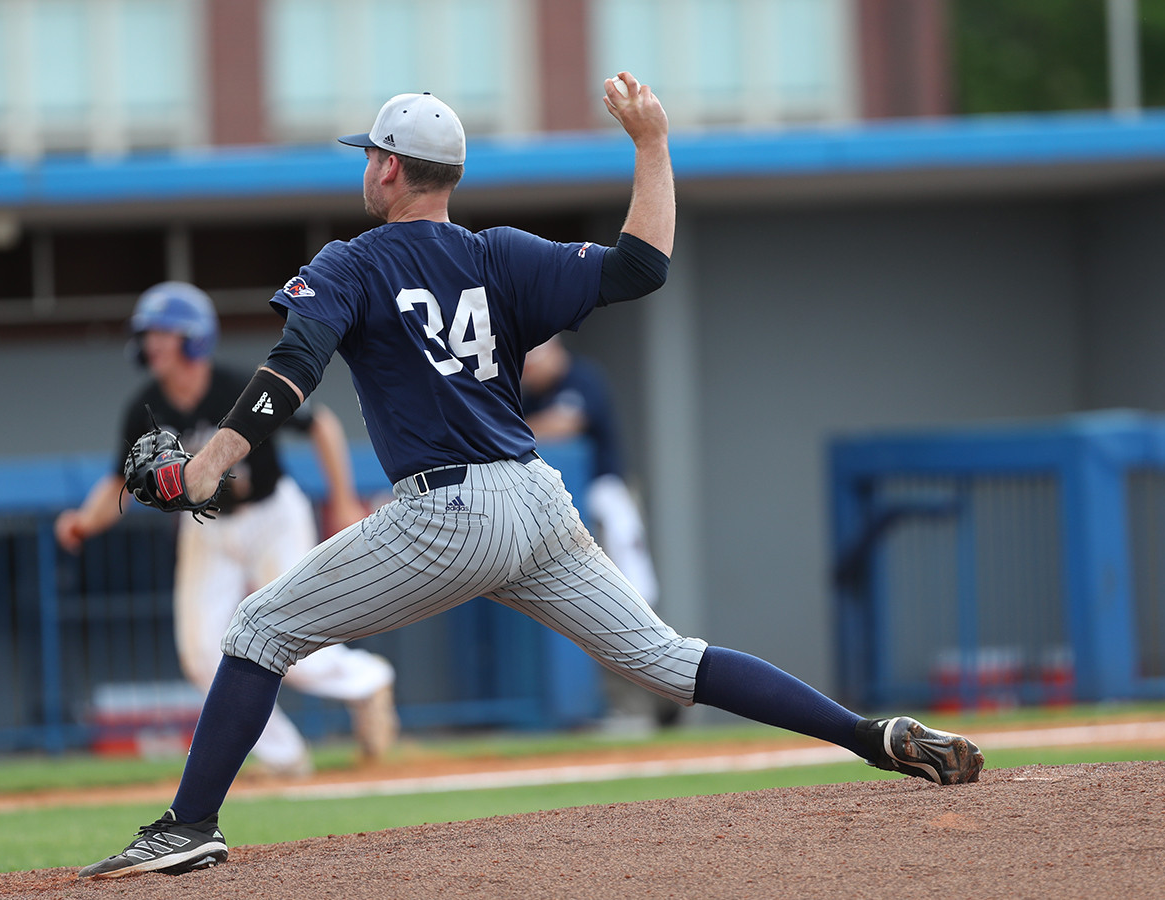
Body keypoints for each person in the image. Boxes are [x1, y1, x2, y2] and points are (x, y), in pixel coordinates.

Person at [78, 74, 984, 880]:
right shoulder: (497, 253)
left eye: (372, 155)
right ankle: (875, 736)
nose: (367, 168)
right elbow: (642, 266)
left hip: (448, 512)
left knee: (260, 626)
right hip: (538, 499)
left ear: (390, 169)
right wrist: (654, 143)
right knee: (665, 659)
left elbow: (288, 373)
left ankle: (188, 825)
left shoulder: (349, 262)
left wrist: (208, 463)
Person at [55, 281, 398, 777]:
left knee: (295, 646)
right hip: (207, 526)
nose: (151, 343)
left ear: (193, 337)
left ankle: (366, 681)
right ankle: (285, 760)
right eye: (148, 334)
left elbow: (320, 425)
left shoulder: (238, 385)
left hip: (272, 516)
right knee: (200, 655)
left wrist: (343, 500)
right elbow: (121, 483)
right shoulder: (145, 407)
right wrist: (84, 523)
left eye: (162, 333)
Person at [521, 334, 678, 731]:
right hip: (558, 515)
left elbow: (562, 425)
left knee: (631, 597)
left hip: (605, 501)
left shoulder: (582, 377)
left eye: (533, 356)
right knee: (585, 608)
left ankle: (660, 699)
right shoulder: (526, 393)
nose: (528, 366)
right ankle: (627, 707)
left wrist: (511, 429)